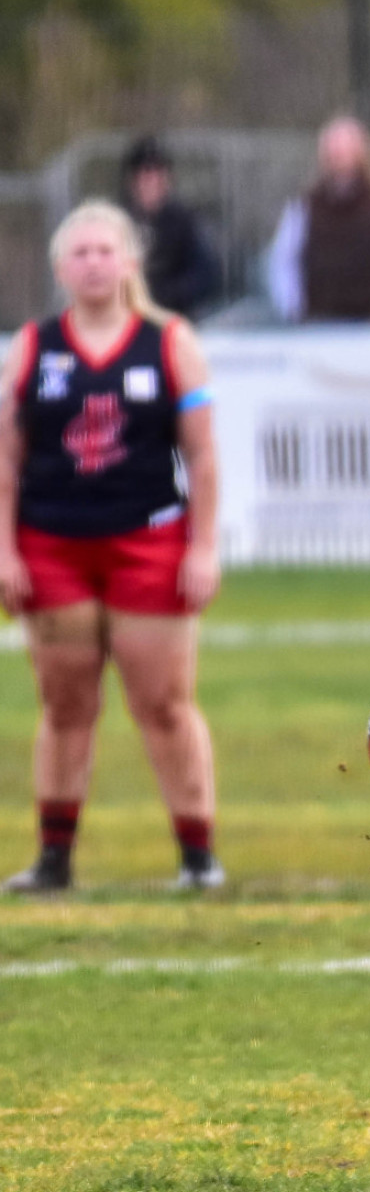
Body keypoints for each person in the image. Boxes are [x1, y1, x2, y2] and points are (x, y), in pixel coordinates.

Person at [0, 201, 225, 892]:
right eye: (81, 252)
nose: (94, 262)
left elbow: (204, 455)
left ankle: (197, 854)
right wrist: (6, 550)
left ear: (130, 261)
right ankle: (53, 857)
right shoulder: (34, 348)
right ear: (61, 267)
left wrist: (203, 546)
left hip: (147, 541)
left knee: (162, 701)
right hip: (53, 544)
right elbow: (8, 458)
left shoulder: (169, 342)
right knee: (66, 703)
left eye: (106, 250)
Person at [267, 116, 370, 324]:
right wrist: (294, 308)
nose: (338, 157)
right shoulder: (305, 204)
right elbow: (283, 262)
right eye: (333, 151)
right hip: (317, 325)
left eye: (344, 150)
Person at [121, 137, 220, 319]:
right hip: (126, 315)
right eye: (144, 175)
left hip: (174, 315)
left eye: (157, 174)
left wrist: (167, 295)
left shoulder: (185, 221)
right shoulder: (117, 220)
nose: (151, 181)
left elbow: (203, 272)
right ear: (132, 180)